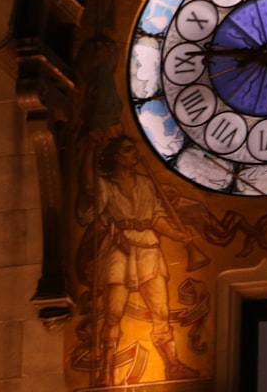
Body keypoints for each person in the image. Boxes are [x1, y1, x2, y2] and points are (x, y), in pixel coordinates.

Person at [82, 135, 199, 385]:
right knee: (113, 314)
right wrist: (88, 155)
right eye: (127, 151)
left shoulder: (145, 183)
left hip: (148, 247)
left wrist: (177, 235)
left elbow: (156, 216)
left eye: (134, 151)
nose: (134, 155)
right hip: (118, 248)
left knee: (161, 311)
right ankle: (106, 371)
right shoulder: (105, 185)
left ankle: (173, 365)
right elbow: (89, 191)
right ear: (116, 157)